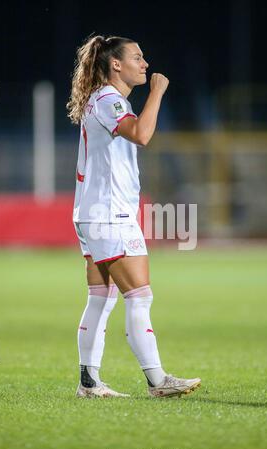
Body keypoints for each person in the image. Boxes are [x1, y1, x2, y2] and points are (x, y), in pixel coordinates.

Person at [67, 34, 201, 398]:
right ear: (116, 64)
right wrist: (157, 91)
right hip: (110, 214)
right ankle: (157, 381)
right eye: (138, 58)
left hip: (94, 211)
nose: (145, 64)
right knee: (139, 297)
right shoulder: (110, 100)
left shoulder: (105, 100)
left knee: (102, 297)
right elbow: (142, 134)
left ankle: (89, 382)